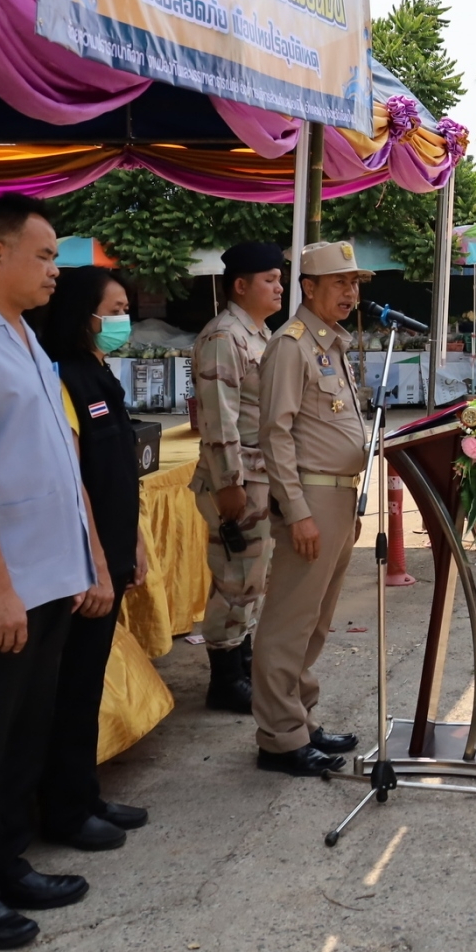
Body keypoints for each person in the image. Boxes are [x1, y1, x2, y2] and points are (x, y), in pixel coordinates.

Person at [0, 194, 108, 950]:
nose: (55, 271)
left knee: (21, 734)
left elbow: (55, 458)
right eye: (43, 256)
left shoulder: (23, 336)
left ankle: (5, 858)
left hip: (45, 576)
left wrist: (84, 553)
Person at [36, 265, 151, 852]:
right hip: (83, 562)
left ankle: (83, 792)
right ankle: (62, 807)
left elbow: (118, 475)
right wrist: (97, 563)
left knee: (88, 681)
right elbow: (72, 481)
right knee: (71, 685)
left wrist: (134, 542)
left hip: (111, 549)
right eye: (114, 308)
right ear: (85, 314)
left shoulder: (103, 375)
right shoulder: (63, 376)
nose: (121, 319)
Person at [251, 241, 372, 777]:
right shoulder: (291, 346)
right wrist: (296, 510)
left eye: (354, 284)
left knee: (317, 620)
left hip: (339, 497)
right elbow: (274, 434)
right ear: (309, 288)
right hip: (311, 498)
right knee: (289, 620)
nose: (350, 292)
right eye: (340, 283)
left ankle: (299, 718)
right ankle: (279, 738)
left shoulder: (332, 345)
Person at [189, 241, 286, 714]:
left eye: (280, 279)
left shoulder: (258, 334)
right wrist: (230, 484)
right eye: (269, 279)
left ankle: (241, 663)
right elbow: (218, 419)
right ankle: (224, 679)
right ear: (240, 285)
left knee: (252, 577)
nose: (279, 287)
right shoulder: (224, 337)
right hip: (236, 480)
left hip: (258, 476)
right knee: (236, 577)